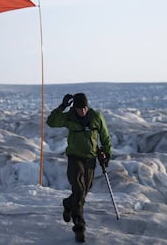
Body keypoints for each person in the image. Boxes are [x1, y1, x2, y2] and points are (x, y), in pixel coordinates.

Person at [46, 93, 112, 243]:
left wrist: (107, 153)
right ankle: (79, 228)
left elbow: (105, 136)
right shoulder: (69, 116)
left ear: (87, 106)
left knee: (85, 190)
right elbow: (51, 122)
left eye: (84, 108)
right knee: (79, 189)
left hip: (90, 158)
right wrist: (62, 106)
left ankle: (68, 204)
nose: (82, 111)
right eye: (79, 108)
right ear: (74, 107)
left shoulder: (96, 117)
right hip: (74, 158)